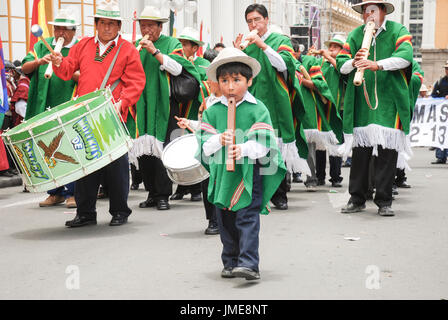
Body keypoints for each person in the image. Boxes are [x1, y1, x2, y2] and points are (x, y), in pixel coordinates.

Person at [50, 0, 145, 227]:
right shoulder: (82, 45)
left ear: (119, 26)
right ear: (96, 24)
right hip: (84, 115)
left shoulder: (128, 49)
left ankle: (120, 211)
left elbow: (136, 82)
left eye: (112, 24)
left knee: (116, 166)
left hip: (111, 114)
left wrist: (121, 104)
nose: (107, 28)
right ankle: (85, 213)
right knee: (85, 163)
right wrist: (57, 61)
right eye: (103, 23)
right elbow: (66, 71)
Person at [198, 47, 286, 280]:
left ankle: (249, 263)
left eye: (236, 80)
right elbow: (203, 145)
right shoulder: (213, 110)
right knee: (224, 219)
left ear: (249, 80)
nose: (230, 86)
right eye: (224, 80)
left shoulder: (257, 108)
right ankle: (230, 260)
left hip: (248, 173)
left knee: (247, 217)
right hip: (221, 175)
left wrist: (244, 149)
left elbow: (266, 143)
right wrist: (219, 139)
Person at [337, 0, 414, 217]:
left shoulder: (398, 30)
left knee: (387, 154)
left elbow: (405, 58)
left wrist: (377, 64)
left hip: (389, 101)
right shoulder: (354, 35)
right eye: (365, 11)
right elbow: (340, 64)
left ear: (382, 11)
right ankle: (357, 198)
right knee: (361, 154)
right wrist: (354, 62)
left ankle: (384, 200)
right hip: (362, 100)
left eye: (372, 10)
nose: (368, 15)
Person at [234, 3, 310, 210]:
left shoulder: (280, 40)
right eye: (250, 21)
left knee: (276, 149)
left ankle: (279, 193)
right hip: (253, 101)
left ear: (267, 20)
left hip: (276, 102)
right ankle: (258, 193)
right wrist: (236, 51)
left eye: (257, 19)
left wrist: (262, 45)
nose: (253, 24)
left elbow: (284, 65)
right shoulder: (248, 45)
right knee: (255, 150)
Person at [130, 6, 202, 211]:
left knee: (163, 150)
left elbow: (179, 69)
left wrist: (154, 51)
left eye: (151, 25)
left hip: (165, 104)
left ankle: (163, 194)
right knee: (144, 151)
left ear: (160, 26)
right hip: (142, 103)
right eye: (143, 25)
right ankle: (151, 192)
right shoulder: (136, 46)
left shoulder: (172, 43)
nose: (147, 29)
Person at [22, 9, 80, 208]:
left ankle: (73, 192)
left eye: (65, 29)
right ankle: (55, 192)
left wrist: (62, 65)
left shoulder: (78, 48)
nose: (60, 33)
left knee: (70, 149)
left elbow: (84, 76)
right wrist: (41, 61)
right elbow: (24, 68)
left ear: (73, 31)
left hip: (68, 104)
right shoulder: (41, 45)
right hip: (43, 105)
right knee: (47, 148)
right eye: (57, 29)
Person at [170, 27, 210, 202]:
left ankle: (196, 188)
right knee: (179, 146)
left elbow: (209, 84)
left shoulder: (204, 64)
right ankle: (181, 186)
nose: (182, 47)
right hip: (178, 110)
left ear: (195, 48)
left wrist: (196, 87)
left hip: (196, 110)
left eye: (185, 44)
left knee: (196, 147)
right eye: (181, 43)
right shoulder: (174, 61)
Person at [314, 35, 347, 188]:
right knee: (320, 144)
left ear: (342, 50)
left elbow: (343, 73)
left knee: (336, 143)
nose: (331, 49)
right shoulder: (322, 63)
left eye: (336, 47)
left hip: (337, 110)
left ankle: (335, 177)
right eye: (330, 46)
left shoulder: (344, 63)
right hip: (322, 108)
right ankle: (319, 176)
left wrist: (329, 57)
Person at [430, 60, 448, 164]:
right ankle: (440, 157)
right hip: (442, 114)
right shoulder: (440, 82)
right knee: (441, 133)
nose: (447, 71)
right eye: (446, 69)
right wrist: (441, 99)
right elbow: (433, 96)